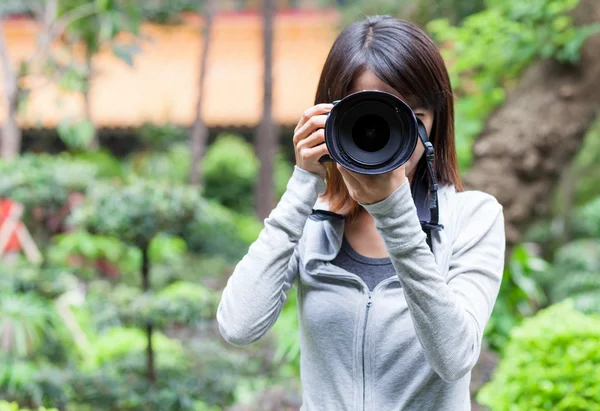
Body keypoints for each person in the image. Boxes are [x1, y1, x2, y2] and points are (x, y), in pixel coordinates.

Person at [216, 15, 506, 411]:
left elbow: (454, 359)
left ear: (435, 125)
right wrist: (304, 183)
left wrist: (395, 215)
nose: (388, 138)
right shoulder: (311, 221)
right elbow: (238, 326)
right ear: (331, 118)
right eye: (372, 122)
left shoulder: (472, 217)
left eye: (412, 121)